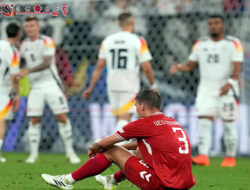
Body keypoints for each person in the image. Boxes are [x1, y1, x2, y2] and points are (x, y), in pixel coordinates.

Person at [41, 90, 196, 190]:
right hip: (183, 184)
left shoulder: (144, 124)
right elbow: (152, 144)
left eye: (136, 106)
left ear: (142, 106)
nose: (135, 110)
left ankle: (67, 181)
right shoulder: (171, 122)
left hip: (162, 185)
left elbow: (105, 143)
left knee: (110, 150)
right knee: (139, 149)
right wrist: (125, 148)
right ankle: (111, 180)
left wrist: (95, 147)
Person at [170, 15, 244, 167]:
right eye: (210, 23)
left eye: (216, 23)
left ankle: (230, 157)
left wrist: (230, 83)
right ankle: (204, 155)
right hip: (205, 90)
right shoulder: (200, 43)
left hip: (226, 91)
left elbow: (237, 65)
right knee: (204, 122)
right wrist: (179, 67)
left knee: (228, 123)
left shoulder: (233, 43)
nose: (213, 26)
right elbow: (191, 64)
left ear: (223, 25)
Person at [17, 16, 80, 164]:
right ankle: (33, 155)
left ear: (38, 26)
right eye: (27, 26)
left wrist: (27, 71)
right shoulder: (24, 44)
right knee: (34, 120)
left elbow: (47, 62)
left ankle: (70, 152)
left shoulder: (47, 41)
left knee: (62, 117)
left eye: (32, 26)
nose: (29, 29)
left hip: (51, 84)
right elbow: (22, 61)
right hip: (35, 87)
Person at [82, 12, 156, 137]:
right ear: (133, 23)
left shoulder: (107, 41)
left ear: (119, 24)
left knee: (120, 119)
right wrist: (153, 85)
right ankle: (112, 147)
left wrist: (90, 87)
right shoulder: (138, 41)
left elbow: (99, 67)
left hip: (112, 84)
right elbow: (146, 67)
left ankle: (120, 150)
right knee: (124, 119)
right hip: (129, 84)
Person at [0, 23, 21, 163]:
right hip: (3, 90)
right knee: (1, 121)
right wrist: (17, 96)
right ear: (19, 34)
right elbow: (14, 76)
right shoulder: (13, 52)